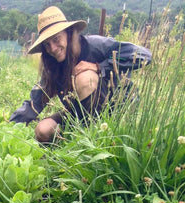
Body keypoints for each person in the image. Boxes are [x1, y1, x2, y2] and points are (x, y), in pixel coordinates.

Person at [8, 6, 152, 143]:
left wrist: (99, 67)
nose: (52, 48)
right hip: (79, 115)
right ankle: (69, 146)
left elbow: (143, 55)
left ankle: (93, 140)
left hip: (115, 110)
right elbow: (35, 102)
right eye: (47, 44)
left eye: (56, 39)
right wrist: (6, 129)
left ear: (69, 34)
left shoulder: (96, 45)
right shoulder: (54, 65)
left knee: (85, 78)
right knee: (43, 130)